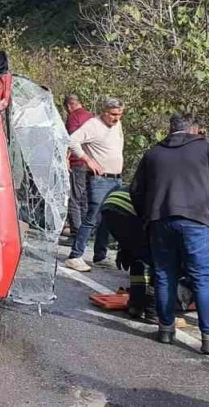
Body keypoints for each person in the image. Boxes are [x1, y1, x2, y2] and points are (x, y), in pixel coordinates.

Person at [131, 113, 209, 354]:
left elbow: (136, 190)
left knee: (164, 274)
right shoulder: (207, 149)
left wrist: (148, 215)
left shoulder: (153, 153)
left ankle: (165, 329)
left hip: (160, 221)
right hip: (196, 220)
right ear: (193, 130)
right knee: (203, 278)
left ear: (170, 129)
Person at [63, 97, 125, 272]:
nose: (116, 118)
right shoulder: (93, 125)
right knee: (92, 216)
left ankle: (100, 255)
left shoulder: (116, 125)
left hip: (115, 178)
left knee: (108, 217)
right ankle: (75, 255)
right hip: (100, 178)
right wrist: (87, 159)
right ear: (104, 112)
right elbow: (71, 140)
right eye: (113, 114)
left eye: (119, 114)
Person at [99, 185, 152, 319]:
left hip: (110, 204)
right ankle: (151, 309)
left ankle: (136, 305)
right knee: (152, 260)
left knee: (136, 256)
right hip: (127, 208)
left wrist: (124, 247)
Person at [63, 95, 94, 238]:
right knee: (84, 198)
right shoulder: (92, 117)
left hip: (77, 162)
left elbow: (71, 140)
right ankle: (86, 231)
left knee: (74, 198)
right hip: (91, 163)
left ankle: (76, 232)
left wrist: (66, 157)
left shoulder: (73, 117)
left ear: (69, 106)